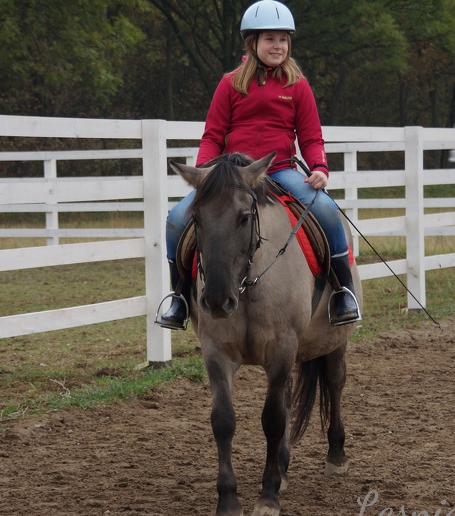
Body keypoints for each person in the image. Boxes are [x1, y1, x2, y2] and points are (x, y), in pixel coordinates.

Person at [155, 0, 361, 330]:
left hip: (279, 171)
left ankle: (343, 292)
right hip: (234, 176)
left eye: (283, 39)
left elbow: (310, 137)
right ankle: (178, 297)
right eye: (270, 39)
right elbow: (212, 135)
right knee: (178, 219)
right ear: (252, 43)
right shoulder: (230, 84)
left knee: (326, 212)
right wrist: (207, 171)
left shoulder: (298, 86)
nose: (277, 46)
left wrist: (320, 167)